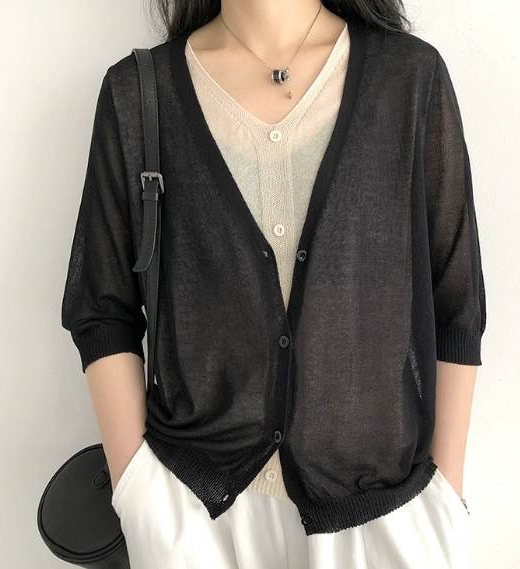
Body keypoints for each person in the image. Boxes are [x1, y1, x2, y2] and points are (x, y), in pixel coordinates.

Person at [60, 1, 487, 567]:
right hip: (194, 514)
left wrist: (443, 500)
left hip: (384, 514)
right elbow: (102, 306)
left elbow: (456, 303)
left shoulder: (408, 79)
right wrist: (139, 492)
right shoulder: (140, 93)